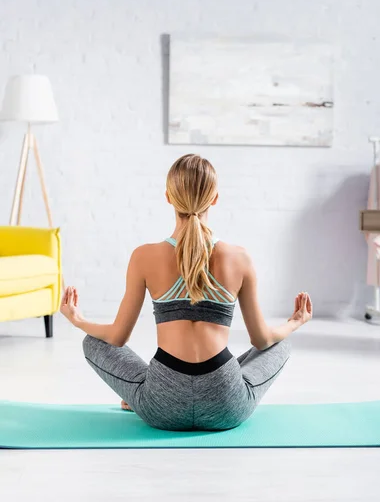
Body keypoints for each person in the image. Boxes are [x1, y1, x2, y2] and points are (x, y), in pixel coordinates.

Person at [60, 153, 312, 431]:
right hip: (227, 406)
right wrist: (294, 322)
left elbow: (117, 337)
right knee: (281, 343)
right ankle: (152, 393)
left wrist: (77, 320)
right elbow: (262, 340)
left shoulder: (145, 256)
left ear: (168, 197)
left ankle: (136, 395)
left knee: (92, 342)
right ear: (215, 198)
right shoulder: (239, 258)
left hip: (161, 407)